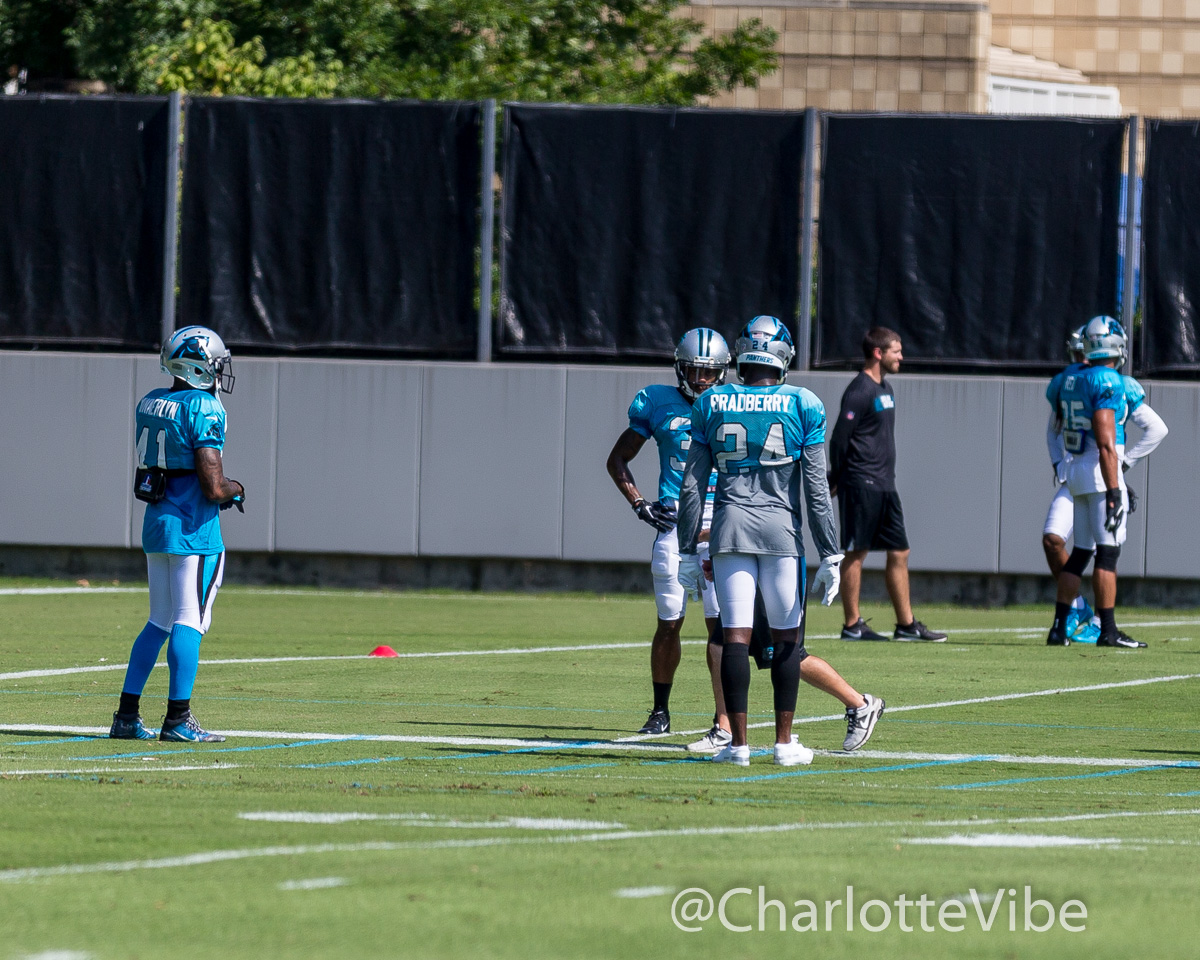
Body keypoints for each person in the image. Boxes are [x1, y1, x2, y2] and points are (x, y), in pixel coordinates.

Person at [677, 315, 885, 767]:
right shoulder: (802, 402)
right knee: (787, 640)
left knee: (734, 637)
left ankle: (737, 746)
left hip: (729, 530)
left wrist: (687, 549)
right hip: (781, 534)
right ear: (783, 357)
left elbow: (692, 486)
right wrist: (830, 553)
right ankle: (785, 744)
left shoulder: (711, 401)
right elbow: (816, 489)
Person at [109, 326, 245, 742]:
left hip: (157, 523)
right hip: (193, 528)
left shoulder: (151, 400)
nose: (219, 371)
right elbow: (213, 486)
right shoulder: (204, 406)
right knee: (190, 620)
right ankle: (178, 719)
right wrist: (236, 489)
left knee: (158, 621)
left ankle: (126, 716)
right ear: (196, 366)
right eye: (214, 364)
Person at [606, 328, 731, 750]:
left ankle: (722, 719)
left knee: (720, 625)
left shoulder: (735, 404)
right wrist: (640, 504)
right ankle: (660, 711)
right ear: (679, 368)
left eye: (709, 372)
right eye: (694, 370)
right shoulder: (657, 402)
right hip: (674, 522)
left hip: (720, 522)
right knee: (668, 622)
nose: (701, 379)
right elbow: (617, 458)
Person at [1043, 322, 1168, 642]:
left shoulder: (1067, 380)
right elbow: (1106, 443)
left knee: (1080, 553)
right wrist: (1116, 486)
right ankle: (1107, 630)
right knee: (1107, 554)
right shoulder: (1109, 381)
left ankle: (1058, 627)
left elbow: (1057, 428)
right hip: (1100, 474)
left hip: (1077, 474)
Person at [828, 327, 946, 642]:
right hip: (859, 482)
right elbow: (839, 438)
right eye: (896, 351)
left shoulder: (885, 388)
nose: (901, 357)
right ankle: (852, 625)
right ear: (878, 353)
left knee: (900, 551)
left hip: (884, 484)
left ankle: (906, 625)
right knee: (856, 551)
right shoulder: (859, 390)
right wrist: (837, 476)